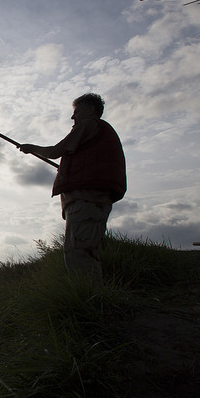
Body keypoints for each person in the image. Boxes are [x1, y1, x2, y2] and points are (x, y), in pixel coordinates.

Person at [18, 93, 126, 283]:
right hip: (92, 200)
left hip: (87, 200)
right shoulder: (98, 133)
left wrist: (31, 148)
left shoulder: (90, 124)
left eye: (76, 112)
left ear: (91, 110)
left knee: (79, 254)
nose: (72, 117)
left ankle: (91, 306)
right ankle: (91, 303)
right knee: (82, 252)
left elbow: (54, 151)